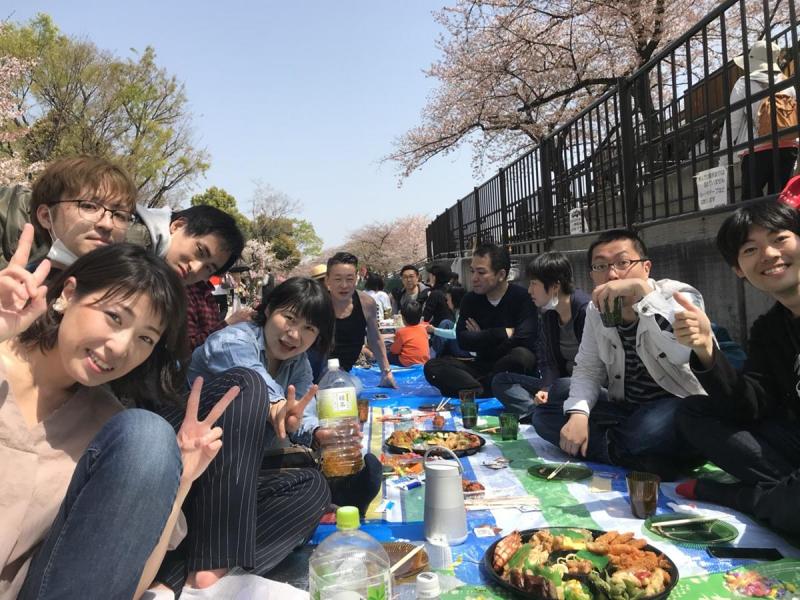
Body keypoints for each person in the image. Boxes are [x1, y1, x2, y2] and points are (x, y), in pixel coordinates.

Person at [0, 230, 239, 600]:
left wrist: (183, 481)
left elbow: (124, 584)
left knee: (150, 438)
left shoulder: (108, 427)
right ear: (67, 294)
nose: (120, 348)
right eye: (114, 317)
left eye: (145, 339)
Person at [188, 277, 382, 519]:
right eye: (289, 319)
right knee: (252, 390)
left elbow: (302, 411)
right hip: (201, 465)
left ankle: (334, 492)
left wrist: (318, 433)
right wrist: (278, 407)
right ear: (269, 309)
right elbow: (252, 378)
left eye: (309, 329)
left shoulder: (298, 364)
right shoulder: (232, 340)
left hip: (253, 461)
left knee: (312, 490)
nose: (294, 335)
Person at [531, 230, 706, 480]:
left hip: (678, 406)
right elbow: (588, 367)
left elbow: (683, 353)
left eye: (623, 263)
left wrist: (643, 295)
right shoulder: (597, 309)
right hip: (625, 409)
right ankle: (643, 458)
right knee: (544, 415)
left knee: (647, 430)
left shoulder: (679, 296)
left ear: (646, 268)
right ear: (592, 275)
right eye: (600, 266)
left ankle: (631, 449)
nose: (612, 275)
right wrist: (579, 414)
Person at [672, 202, 800, 534]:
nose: (769, 254)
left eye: (780, 238)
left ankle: (743, 497)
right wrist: (706, 350)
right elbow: (749, 406)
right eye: (750, 249)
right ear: (738, 269)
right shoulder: (769, 329)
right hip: (791, 440)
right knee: (694, 412)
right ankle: (783, 496)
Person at [424, 243, 538, 398]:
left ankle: (474, 388)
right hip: (482, 365)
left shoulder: (522, 298)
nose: (474, 278)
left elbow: (526, 339)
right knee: (433, 367)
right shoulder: (470, 300)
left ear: (501, 275)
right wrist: (501, 333)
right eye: (472, 271)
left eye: (481, 272)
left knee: (521, 355)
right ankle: (485, 388)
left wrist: (481, 337)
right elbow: (463, 340)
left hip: (509, 365)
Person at [137, 204, 251, 350]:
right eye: (200, 251)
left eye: (208, 268)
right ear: (178, 226)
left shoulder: (188, 288)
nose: (195, 268)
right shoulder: (132, 244)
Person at [492, 252, 590, 418]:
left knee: (561, 387)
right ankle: (539, 412)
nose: (529, 290)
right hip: (559, 384)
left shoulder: (586, 311)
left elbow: (593, 368)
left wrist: (552, 388)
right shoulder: (549, 313)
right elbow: (546, 359)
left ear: (555, 286)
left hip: (585, 387)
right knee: (501, 381)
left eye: (534, 284)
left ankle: (541, 414)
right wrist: (546, 387)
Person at [28, 156, 138, 276]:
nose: (107, 224)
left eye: (120, 215)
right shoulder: (18, 289)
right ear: (46, 217)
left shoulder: (140, 291)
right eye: (89, 206)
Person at [720, 40, 799, 200]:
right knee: (779, 202)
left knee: (751, 202)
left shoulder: (743, 84)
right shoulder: (787, 84)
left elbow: (732, 123)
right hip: (788, 148)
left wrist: (724, 157)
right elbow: (792, 116)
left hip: (757, 149)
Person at [315, 252, 397, 387]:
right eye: (337, 279)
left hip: (344, 372)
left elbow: (375, 338)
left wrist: (386, 372)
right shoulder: (317, 303)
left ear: (357, 278)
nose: (344, 285)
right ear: (327, 280)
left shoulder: (366, 303)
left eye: (349, 279)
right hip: (315, 368)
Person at [427, 284, 470, 358]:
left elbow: (454, 334)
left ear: (455, 299)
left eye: (448, 299)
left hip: (466, 350)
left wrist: (434, 330)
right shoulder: (461, 309)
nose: (447, 302)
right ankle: (433, 351)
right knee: (446, 323)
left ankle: (431, 355)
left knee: (443, 332)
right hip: (464, 343)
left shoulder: (463, 313)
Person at [388, 300, 430, 367]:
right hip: (423, 362)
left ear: (403, 318)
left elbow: (394, 351)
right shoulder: (423, 329)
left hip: (407, 363)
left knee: (388, 355)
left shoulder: (401, 332)